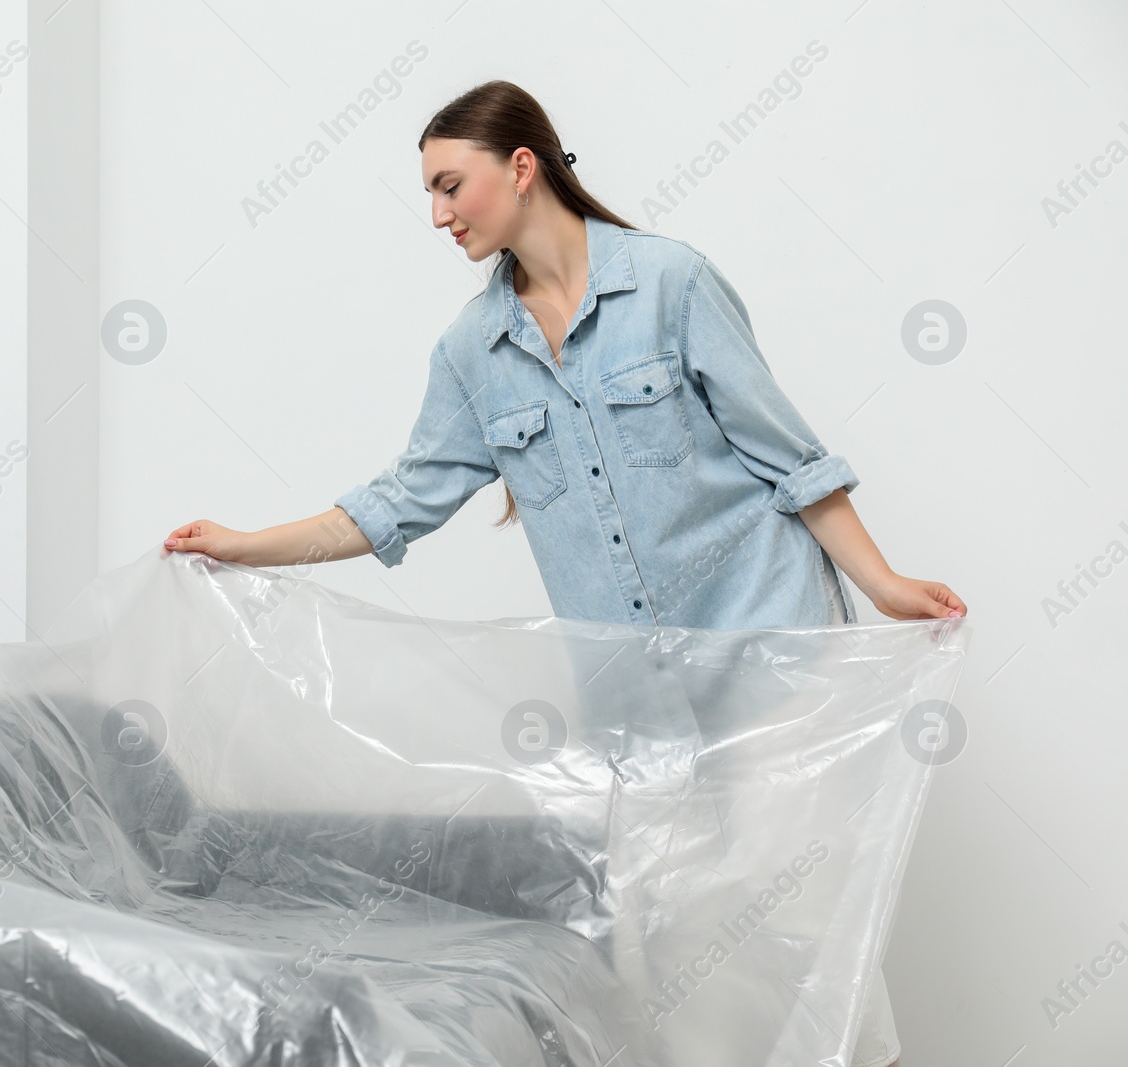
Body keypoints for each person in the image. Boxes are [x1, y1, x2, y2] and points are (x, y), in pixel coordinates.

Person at [163, 79, 966, 1066]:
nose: (437, 213)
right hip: (638, 707)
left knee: (791, 920)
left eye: (449, 184)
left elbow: (786, 458)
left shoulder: (672, 284)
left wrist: (882, 584)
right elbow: (393, 504)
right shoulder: (474, 352)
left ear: (520, 166)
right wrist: (241, 542)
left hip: (767, 657)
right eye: (428, 192)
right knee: (672, 941)